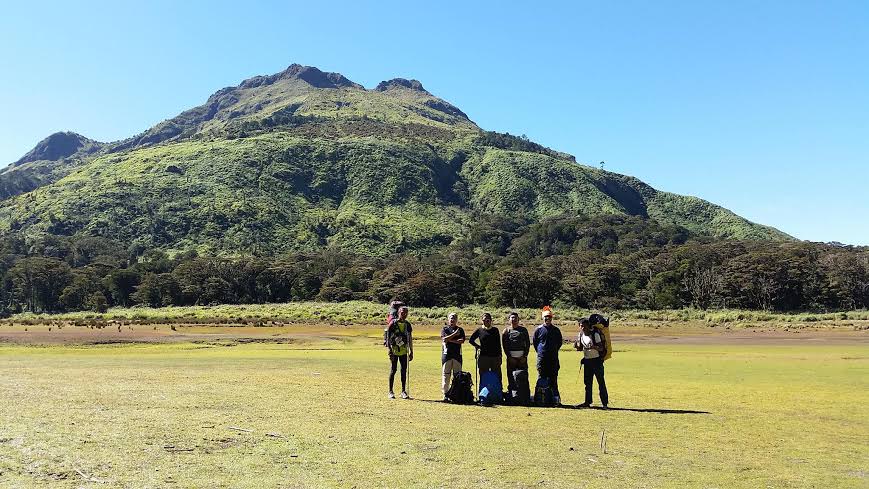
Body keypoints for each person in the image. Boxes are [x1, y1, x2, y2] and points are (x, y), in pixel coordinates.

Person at [574, 318, 609, 408]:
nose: (583, 328)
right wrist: (576, 347)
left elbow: (601, 348)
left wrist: (593, 347)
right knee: (588, 383)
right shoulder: (580, 335)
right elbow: (580, 348)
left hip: (597, 361)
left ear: (588, 326)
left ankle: (605, 404)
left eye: (584, 326)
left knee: (601, 382)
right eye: (581, 326)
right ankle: (587, 402)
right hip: (587, 361)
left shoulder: (595, 334)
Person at [532, 306, 563, 405]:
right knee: (541, 378)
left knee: (553, 379)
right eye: (545, 317)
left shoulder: (556, 330)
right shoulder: (538, 330)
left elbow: (559, 343)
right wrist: (542, 352)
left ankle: (555, 400)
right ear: (543, 318)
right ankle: (539, 399)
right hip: (542, 359)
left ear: (551, 318)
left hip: (553, 359)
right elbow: (535, 343)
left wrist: (552, 351)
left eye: (549, 317)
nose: (547, 319)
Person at [385, 306, 413, 399]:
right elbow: (388, 338)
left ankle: (403, 391)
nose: (404, 314)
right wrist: (389, 350)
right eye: (402, 312)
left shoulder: (408, 325)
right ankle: (390, 391)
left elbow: (410, 338)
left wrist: (411, 351)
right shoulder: (393, 323)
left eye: (406, 313)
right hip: (394, 350)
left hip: (404, 351)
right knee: (393, 370)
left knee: (403, 371)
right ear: (398, 313)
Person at [469, 312, 502, 384]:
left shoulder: (495, 330)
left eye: (487, 320)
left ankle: (498, 392)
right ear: (482, 321)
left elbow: (498, 344)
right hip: (483, 357)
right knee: (483, 376)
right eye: (484, 320)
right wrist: (478, 346)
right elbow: (471, 340)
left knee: (497, 376)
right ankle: (483, 393)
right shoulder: (479, 330)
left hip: (495, 357)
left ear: (491, 320)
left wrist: (500, 356)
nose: (486, 321)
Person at [501, 311, 530, 393]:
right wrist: (509, 357)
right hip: (511, 359)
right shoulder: (506, 331)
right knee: (511, 377)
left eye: (515, 318)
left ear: (518, 320)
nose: (514, 320)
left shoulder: (523, 330)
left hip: (522, 359)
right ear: (509, 320)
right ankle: (512, 394)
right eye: (512, 318)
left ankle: (524, 394)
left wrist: (524, 356)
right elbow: (504, 346)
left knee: (523, 376)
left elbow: (527, 344)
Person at [440, 312, 466, 401]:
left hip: (457, 356)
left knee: (458, 376)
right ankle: (445, 394)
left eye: (454, 318)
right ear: (448, 319)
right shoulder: (445, 329)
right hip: (447, 356)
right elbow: (444, 339)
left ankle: (456, 394)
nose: (452, 320)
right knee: (446, 376)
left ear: (457, 320)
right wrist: (455, 335)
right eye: (451, 318)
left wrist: (450, 340)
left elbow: (461, 341)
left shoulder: (461, 330)